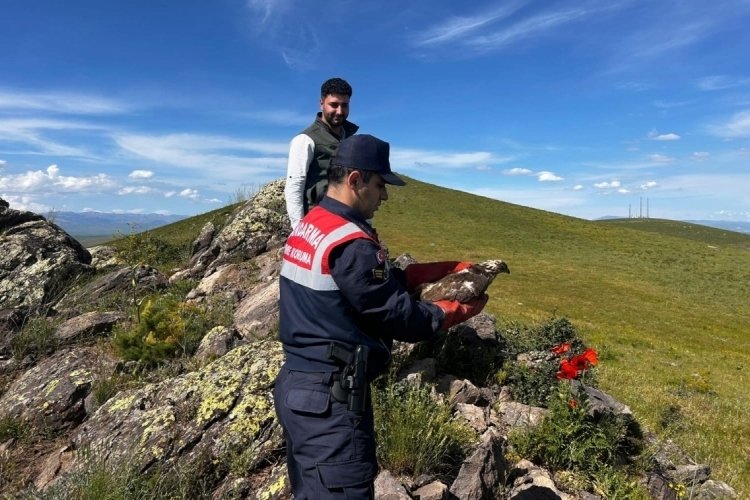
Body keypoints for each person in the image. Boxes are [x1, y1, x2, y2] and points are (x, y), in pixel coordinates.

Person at [273, 133, 488, 499]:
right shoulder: (350, 242)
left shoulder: (313, 224)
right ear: (355, 180)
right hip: (331, 401)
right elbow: (401, 318)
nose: (384, 196)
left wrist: (432, 271)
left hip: (297, 388)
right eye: (379, 185)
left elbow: (364, 288)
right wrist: (454, 309)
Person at [284, 77, 359, 230]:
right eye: (333, 105)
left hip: (347, 220)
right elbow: (294, 186)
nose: (339, 111)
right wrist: (299, 230)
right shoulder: (305, 140)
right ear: (321, 103)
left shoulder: (350, 139)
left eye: (344, 105)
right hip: (318, 223)